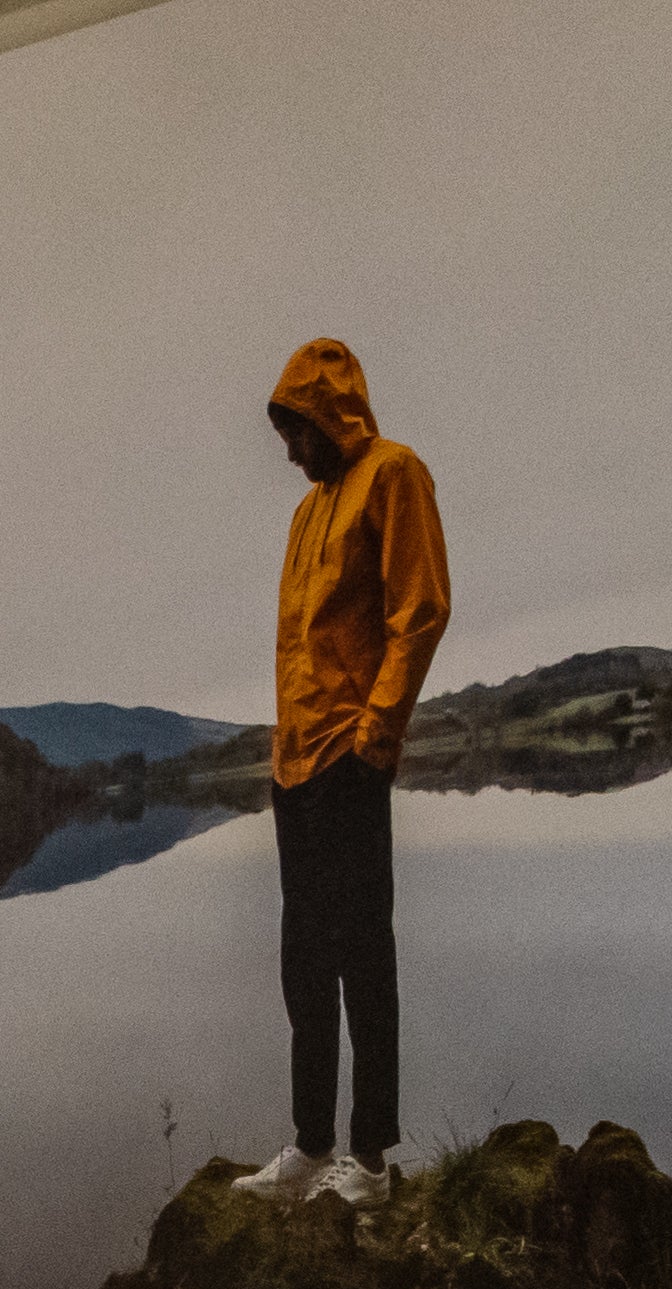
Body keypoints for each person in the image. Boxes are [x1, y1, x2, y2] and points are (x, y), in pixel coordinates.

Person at [238, 336, 447, 1215]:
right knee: (303, 959)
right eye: (283, 431)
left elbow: (420, 610)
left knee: (365, 955)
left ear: (328, 416)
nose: (287, 449)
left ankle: (370, 1155)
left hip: (350, 762)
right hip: (297, 767)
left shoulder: (394, 475)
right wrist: (283, 760)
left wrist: (375, 738)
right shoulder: (304, 514)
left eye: (295, 429)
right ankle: (311, 1144)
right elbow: (302, 650)